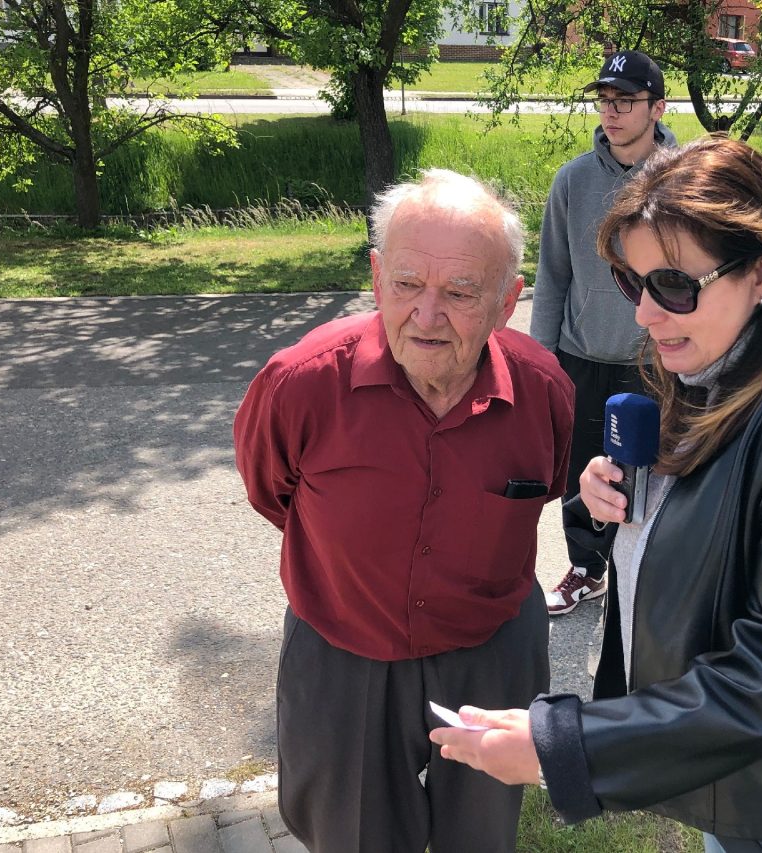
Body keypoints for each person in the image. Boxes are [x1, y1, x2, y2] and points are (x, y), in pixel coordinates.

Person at [430, 137, 762, 852]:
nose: (645, 314)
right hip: (752, 784)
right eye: (632, 283)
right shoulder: (718, 374)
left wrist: (568, 745)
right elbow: (720, 550)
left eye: (673, 285)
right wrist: (613, 502)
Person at [233, 169, 574, 853]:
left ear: (507, 301)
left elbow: (549, 486)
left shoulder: (544, 390)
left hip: (490, 652)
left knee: (480, 838)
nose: (427, 314)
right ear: (377, 276)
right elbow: (271, 491)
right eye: (408, 283)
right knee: (353, 837)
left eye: (460, 292)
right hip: (343, 651)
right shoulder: (302, 382)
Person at [531, 49, 677, 616]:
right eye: (604, 100)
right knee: (582, 471)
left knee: (654, 473)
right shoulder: (573, 180)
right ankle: (587, 569)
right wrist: (542, 359)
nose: (611, 112)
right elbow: (553, 275)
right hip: (582, 355)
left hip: (656, 359)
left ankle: (645, 573)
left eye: (625, 101)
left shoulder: (681, 178)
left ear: (657, 107)